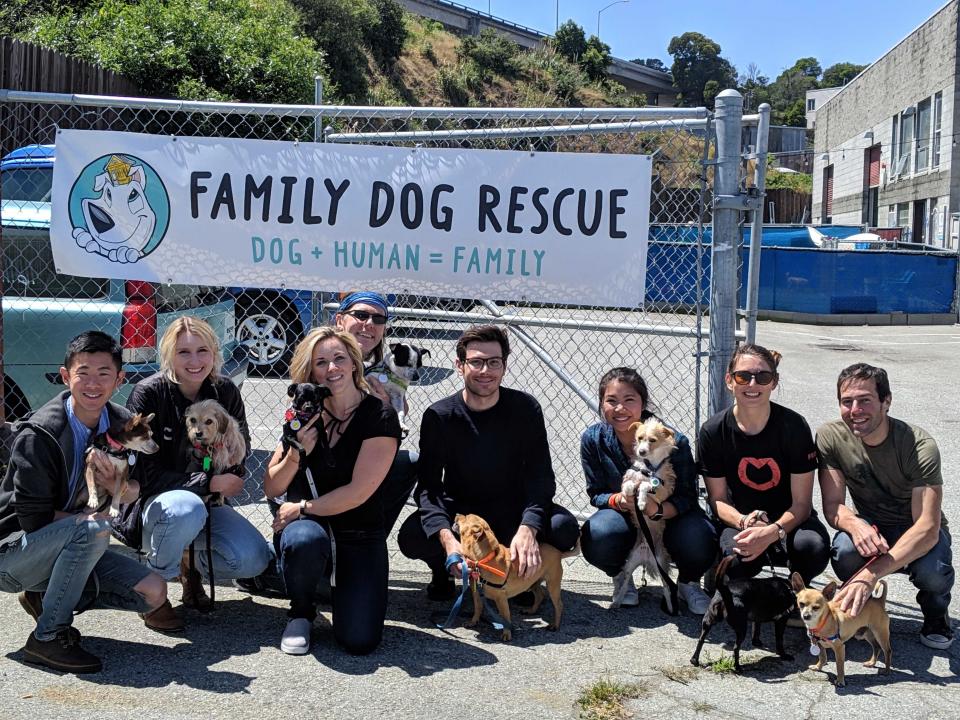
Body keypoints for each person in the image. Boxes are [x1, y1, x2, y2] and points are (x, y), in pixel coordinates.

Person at [0, 331, 169, 673]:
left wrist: (119, 489)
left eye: (104, 373)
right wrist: (89, 521)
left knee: (153, 591)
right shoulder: (40, 432)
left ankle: (45, 598)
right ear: (66, 376)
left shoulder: (125, 425)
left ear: (119, 379)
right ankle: (47, 636)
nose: (93, 383)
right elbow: (32, 517)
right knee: (92, 529)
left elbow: (141, 486)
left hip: (76, 538)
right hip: (14, 549)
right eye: (83, 373)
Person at [398, 324, 580, 600]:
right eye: (476, 362)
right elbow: (429, 488)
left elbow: (540, 477)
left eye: (494, 362)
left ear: (504, 367)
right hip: (464, 514)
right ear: (459, 365)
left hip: (512, 509)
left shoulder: (525, 409)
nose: (486, 371)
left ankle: (519, 577)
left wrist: (528, 528)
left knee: (564, 529)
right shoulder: (439, 416)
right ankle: (445, 571)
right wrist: (448, 540)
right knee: (412, 535)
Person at [114, 317, 271, 629]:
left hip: (207, 503)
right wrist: (209, 481)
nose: (195, 360)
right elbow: (144, 475)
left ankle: (190, 568)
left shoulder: (224, 391)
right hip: (157, 506)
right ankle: (153, 592)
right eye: (184, 352)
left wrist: (233, 472)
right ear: (169, 356)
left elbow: (242, 447)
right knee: (187, 508)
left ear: (214, 352)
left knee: (252, 559)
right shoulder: (148, 394)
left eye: (203, 350)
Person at [265, 327, 400, 655]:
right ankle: (300, 611)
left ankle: (311, 579)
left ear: (354, 363)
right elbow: (272, 485)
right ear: (310, 371)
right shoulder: (303, 413)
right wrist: (296, 453)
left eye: (339, 358)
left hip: (358, 530)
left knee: (359, 641)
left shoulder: (379, 415)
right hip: (309, 530)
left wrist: (301, 507)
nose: (331, 368)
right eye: (320, 362)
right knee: (304, 541)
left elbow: (357, 493)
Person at [817, 363, 954, 650]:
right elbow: (832, 505)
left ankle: (935, 614)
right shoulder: (831, 437)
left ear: (886, 401)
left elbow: (927, 528)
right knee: (844, 550)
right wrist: (855, 524)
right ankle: (861, 611)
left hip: (915, 529)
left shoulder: (918, 445)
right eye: (847, 401)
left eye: (865, 400)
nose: (855, 409)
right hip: (873, 526)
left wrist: (869, 575)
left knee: (933, 571)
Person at [580, 367, 716, 613]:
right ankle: (621, 575)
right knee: (598, 534)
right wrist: (619, 500)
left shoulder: (675, 442)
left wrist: (658, 510)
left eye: (629, 400)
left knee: (701, 536)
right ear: (602, 404)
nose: (620, 408)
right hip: (625, 515)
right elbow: (596, 494)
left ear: (643, 403)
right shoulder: (593, 439)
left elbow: (687, 496)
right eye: (611, 401)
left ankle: (688, 583)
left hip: (669, 515)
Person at [697, 343, 829, 584]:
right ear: (729, 380)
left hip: (787, 520)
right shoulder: (713, 431)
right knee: (735, 560)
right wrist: (745, 522)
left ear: (774, 382)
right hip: (740, 518)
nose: (753, 384)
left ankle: (795, 595)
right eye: (743, 376)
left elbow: (802, 504)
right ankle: (735, 589)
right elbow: (718, 500)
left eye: (763, 377)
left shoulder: (794, 426)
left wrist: (772, 532)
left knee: (812, 548)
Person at [333, 291, 417, 533]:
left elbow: (400, 407)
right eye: (360, 315)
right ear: (340, 320)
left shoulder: (379, 364)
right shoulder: (323, 357)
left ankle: (372, 533)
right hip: (324, 463)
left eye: (378, 319)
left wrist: (386, 407)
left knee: (410, 462)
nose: (369, 324)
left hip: (362, 461)